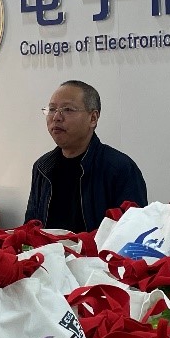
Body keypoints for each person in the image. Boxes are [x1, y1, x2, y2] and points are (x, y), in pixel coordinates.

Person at [25, 80, 147, 232]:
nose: (56, 117)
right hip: (49, 248)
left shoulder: (120, 168)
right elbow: (30, 229)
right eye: (52, 109)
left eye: (67, 109)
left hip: (96, 248)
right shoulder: (42, 167)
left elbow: (134, 234)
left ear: (93, 118)